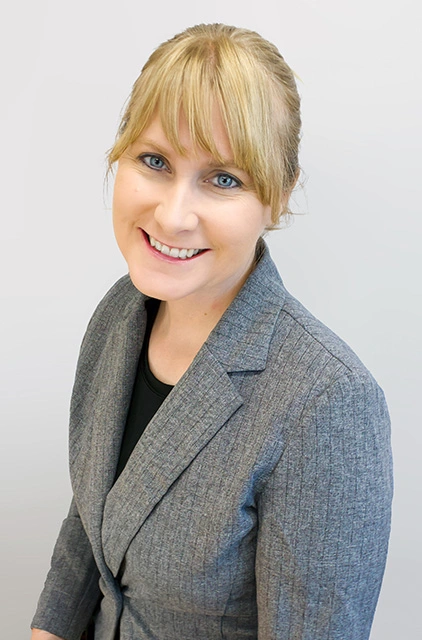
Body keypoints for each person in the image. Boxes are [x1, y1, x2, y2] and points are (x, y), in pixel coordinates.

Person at [30, 23, 393, 640]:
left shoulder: (327, 402)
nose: (173, 214)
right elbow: (97, 521)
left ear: (277, 198)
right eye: (154, 161)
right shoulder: (120, 312)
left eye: (224, 179)